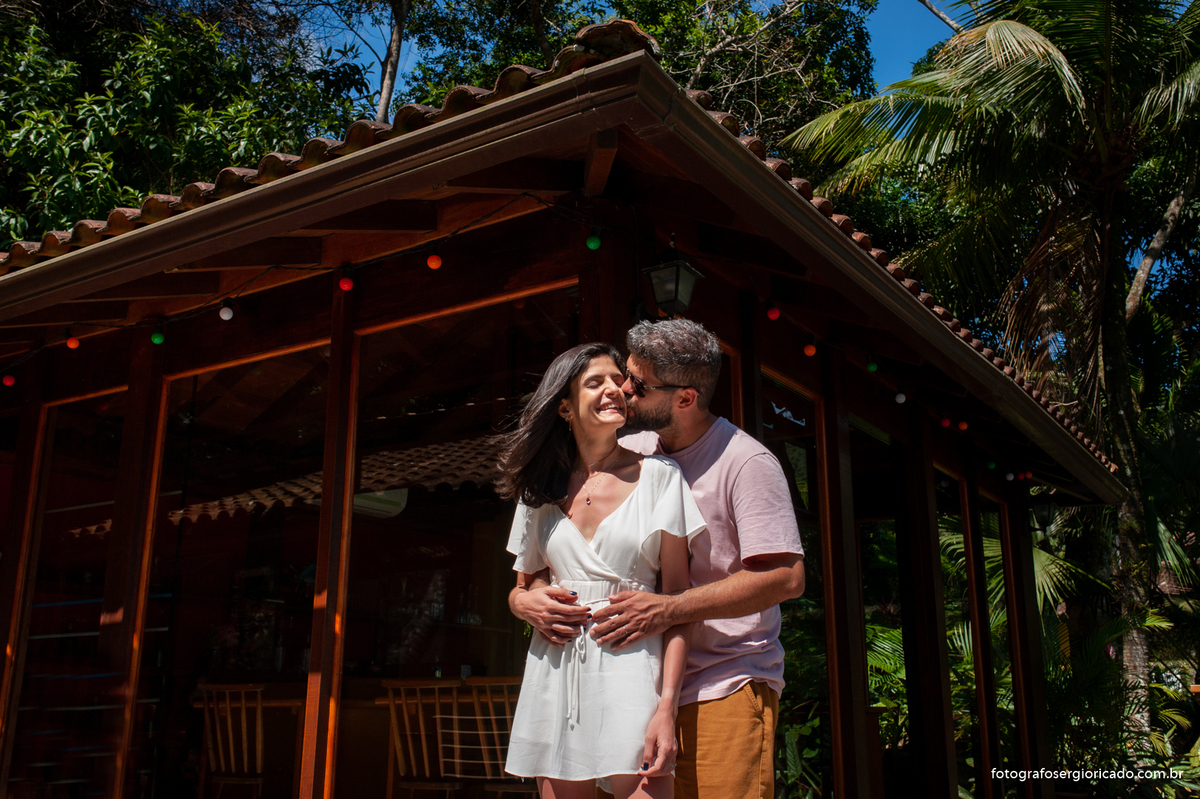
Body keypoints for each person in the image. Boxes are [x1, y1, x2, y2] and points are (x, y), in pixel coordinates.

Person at [509, 320, 805, 799]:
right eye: (625, 374)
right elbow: (540, 566)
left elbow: (787, 578)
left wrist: (670, 609)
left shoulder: (746, 464)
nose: (623, 390)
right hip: (630, 676)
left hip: (720, 680)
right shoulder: (636, 451)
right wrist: (524, 601)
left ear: (685, 399)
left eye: (637, 384)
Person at [498, 341, 705, 799]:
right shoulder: (539, 491)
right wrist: (524, 602)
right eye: (596, 382)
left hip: (635, 674)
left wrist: (666, 707)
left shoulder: (660, 477)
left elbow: (678, 602)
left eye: (618, 380)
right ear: (565, 408)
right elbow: (523, 588)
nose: (615, 389)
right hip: (555, 675)